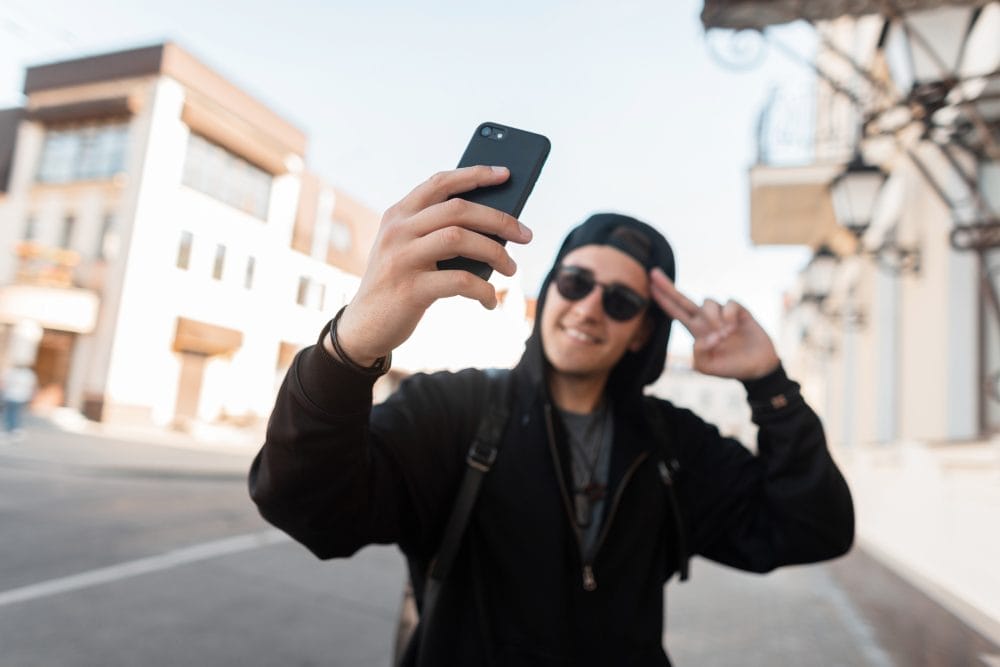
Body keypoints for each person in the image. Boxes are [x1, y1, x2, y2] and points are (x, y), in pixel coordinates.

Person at [249, 166, 854, 666]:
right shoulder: (452, 410)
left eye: (619, 301)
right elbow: (309, 508)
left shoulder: (673, 444)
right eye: (575, 282)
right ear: (548, 295)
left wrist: (768, 385)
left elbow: (811, 527)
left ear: (643, 332)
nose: (589, 309)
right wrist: (349, 347)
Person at [2, 364, 37, 439]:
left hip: (11, 396)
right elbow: (33, 386)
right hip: (21, 397)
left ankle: (12, 429)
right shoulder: (29, 374)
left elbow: (3, 383)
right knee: (15, 413)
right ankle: (14, 429)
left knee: (10, 414)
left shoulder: (11, 372)